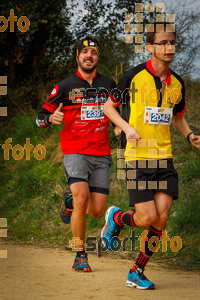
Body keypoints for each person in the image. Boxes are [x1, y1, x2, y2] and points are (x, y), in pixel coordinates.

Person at [101, 22, 200, 289]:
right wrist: (126, 127)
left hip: (164, 158)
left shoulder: (177, 83)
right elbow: (109, 107)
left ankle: (137, 270)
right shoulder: (132, 77)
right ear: (150, 46)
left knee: (162, 218)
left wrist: (190, 136)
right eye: (162, 43)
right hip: (135, 157)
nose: (169, 48)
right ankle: (117, 218)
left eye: (172, 43)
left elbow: (177, 118)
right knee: (146, 218)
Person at [36, 36, 119, 272]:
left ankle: (69, 199)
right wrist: (50, 118)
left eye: (93, 52)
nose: (88, 56)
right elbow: (40, 117)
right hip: (75, 151)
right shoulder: (64, 87)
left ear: (98, 57)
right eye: (84, 52)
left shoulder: (109, 84)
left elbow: (116, 113)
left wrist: (118, 126)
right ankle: (79, 254)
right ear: (78, 56)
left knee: (96, 210)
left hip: (101, 153)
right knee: (83, 200)